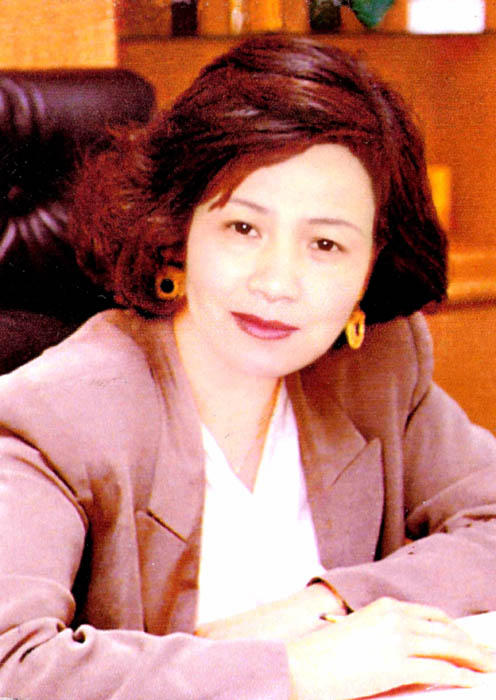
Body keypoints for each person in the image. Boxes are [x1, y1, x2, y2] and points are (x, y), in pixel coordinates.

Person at [0, 34, 495, 700]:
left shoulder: (375, 367)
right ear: (178, 229)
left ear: (371, 265)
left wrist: (326, 605)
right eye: (243, 229)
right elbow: (12, 666)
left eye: (326, 244)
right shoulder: (55, 412)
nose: (277, 282)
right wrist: (299, 670)